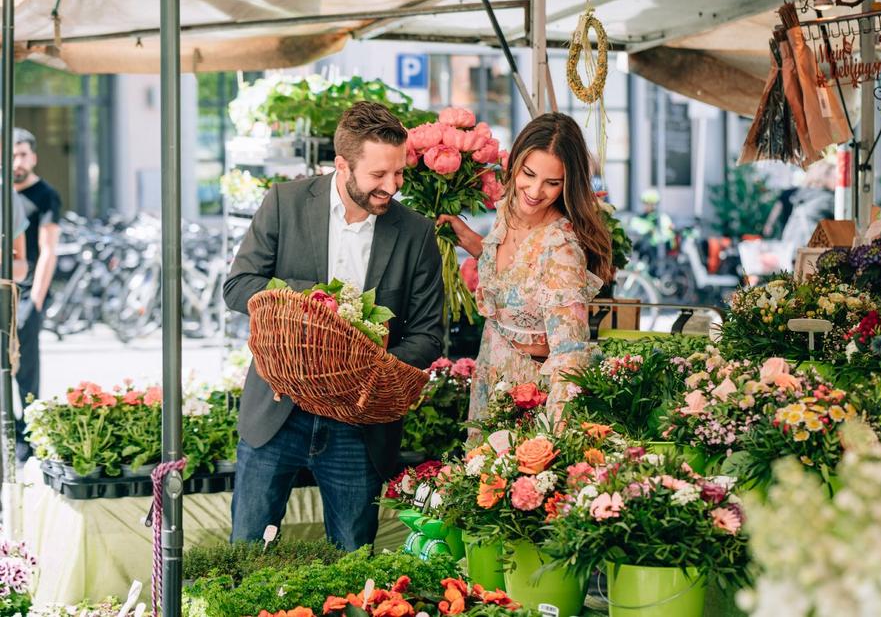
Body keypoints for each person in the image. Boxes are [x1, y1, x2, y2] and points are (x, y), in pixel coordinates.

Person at [223, 102, 444, 549]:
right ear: (341, 165)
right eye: (378, 175)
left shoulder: (417, 232)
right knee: (246, 549)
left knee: (353, 558)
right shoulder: (284, 202)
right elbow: (238, 286)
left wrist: (371, 372)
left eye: (398, 173)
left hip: (359, 426)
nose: (392, 186)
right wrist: (317, 300)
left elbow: (429, 335)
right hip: (277, 410)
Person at [438, 113, 614, 426]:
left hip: (530, 398)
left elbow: (570, 353)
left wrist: (555, 433)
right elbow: (514, 274)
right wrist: (471, 241)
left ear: (567, 184)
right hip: (491, 372)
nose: (534, 191)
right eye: (528, 174)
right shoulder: (509, 209)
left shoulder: (561, 250)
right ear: (516, 163)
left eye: (552, 183)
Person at [12, 128, 58, 462]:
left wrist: (36, 300)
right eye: (12, 155)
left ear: (34, 157)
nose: (18, 161)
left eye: (23, 155)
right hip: (7, 287)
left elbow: (47, 249)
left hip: (28, 292)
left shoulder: (45, 195)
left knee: (26, 368)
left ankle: (27, 435)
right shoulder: (4, 192)